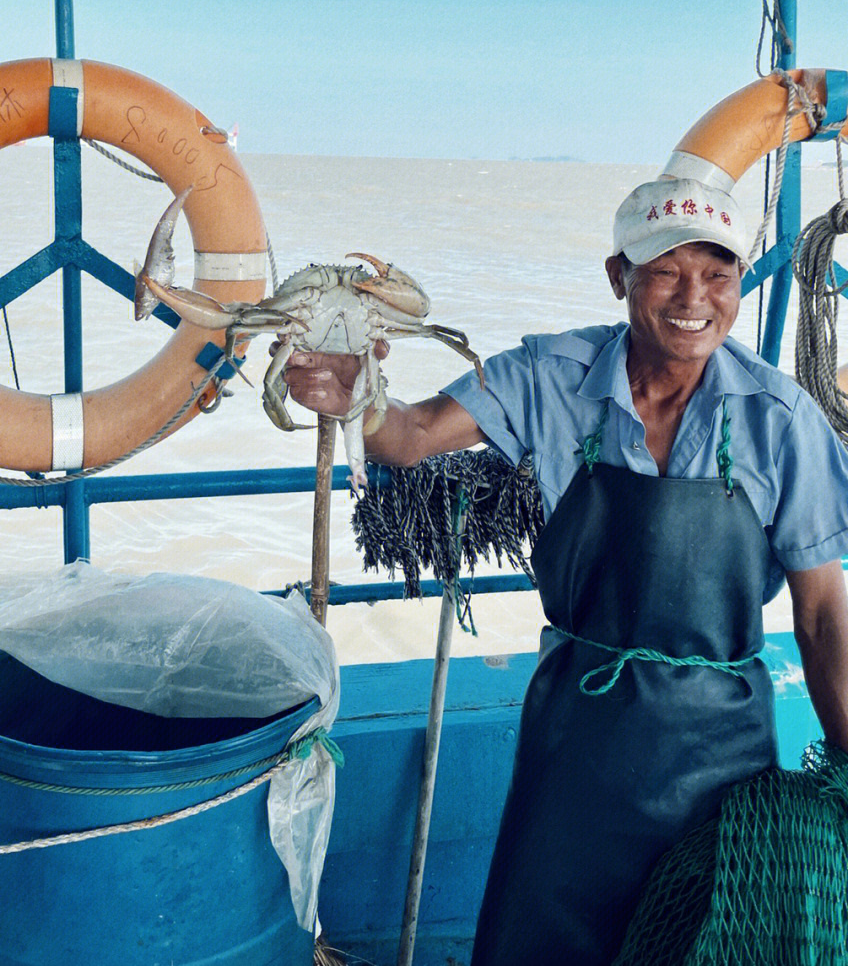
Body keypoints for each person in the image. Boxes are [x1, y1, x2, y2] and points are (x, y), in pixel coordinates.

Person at [283, 177, 848, 966]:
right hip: (576, 747)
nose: (694, 298)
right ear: (619, 276)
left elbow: (822, 616)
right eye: (665, 271)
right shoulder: (547, 375)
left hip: (721, 758)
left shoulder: (783, 419)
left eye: (717, 275)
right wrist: (354, 393)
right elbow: (407, 436)